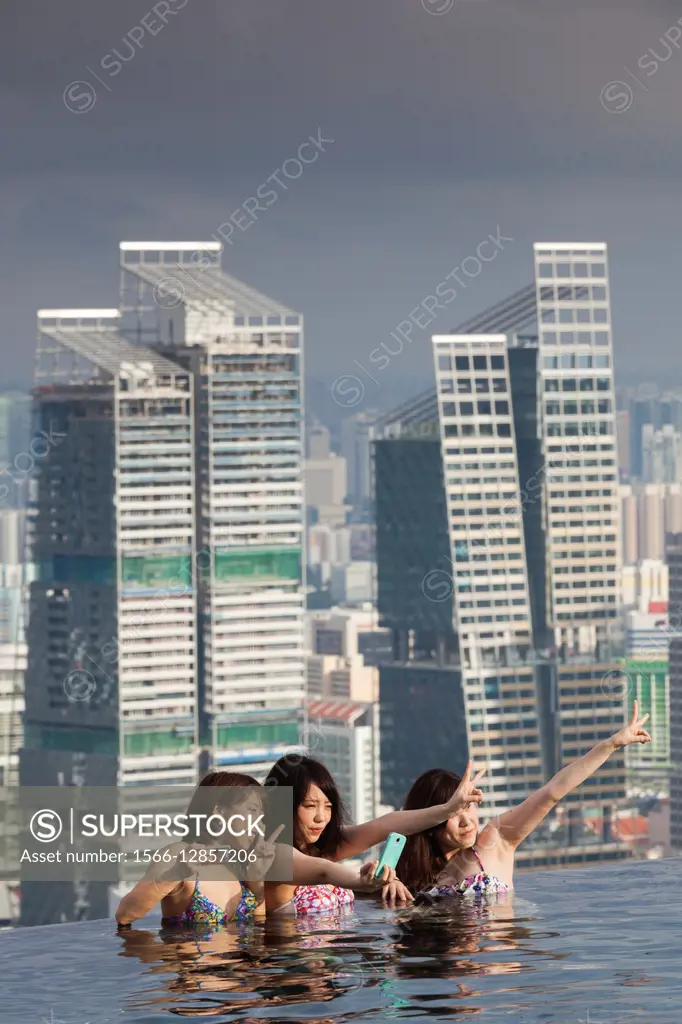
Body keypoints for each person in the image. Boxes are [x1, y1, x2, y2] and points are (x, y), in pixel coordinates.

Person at [389, 701, 651, 902]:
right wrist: (388, 886)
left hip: (504, 965)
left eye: (468, 806)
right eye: (453, 813)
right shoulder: (413, 875)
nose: (466, 820)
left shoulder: (495, 840)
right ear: (430, 821)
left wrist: (612, 745)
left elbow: (551, 793)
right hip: (448, 967)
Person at [115, 770, 395, 928]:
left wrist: (257, 883)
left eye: (260, 813)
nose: (257, 822)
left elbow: (258, 932)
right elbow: (125, 915)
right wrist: (172, 874)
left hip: (246, 994)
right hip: (198, 1001)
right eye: (250, 810)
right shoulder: (181, 854)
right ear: (218, 811)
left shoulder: (243, 864)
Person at [263, 754, 485, 914]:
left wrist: (448, 810)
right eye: (310, 806)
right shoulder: (273, 855)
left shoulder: (323, 848)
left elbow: (383, 826)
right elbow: (324, 872)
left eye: (328, 806)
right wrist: (365, 881)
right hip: (293, 975)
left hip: (330, 973)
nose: (321, 817)